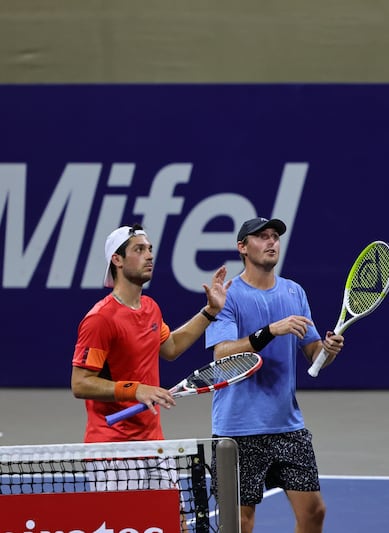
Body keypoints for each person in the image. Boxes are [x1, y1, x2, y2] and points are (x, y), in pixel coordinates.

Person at [204, 217, 345, 533]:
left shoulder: (294, 292)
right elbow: (222, 353)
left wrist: (329, 349)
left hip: (287, 426)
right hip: (237, 430)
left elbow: (314, 357)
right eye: (262, 237)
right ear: (242, 247)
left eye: (275, 237)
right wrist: (269, 331)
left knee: (313, 513)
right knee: (240, 522)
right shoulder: (228, 296)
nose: (271, 242)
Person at [71, 223, 230, 444]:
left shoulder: (150, 308)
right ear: (117, 260)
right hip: (113, 447)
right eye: (139, 250)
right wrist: (135, 390)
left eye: (149, 249)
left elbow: (172, 347)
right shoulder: (100, 319)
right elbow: (81, 384)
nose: (149, 256)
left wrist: (210, 311)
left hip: (154, 442)